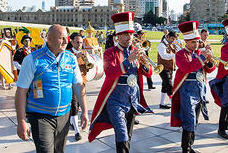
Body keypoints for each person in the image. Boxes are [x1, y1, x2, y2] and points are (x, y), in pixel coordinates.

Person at [15, 24, 88, 153]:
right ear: (49, 39)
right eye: (61, 38)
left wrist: (85, 112)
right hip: (40, 117)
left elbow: (78, 85)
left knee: (59, 150)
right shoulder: (32, 60)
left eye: (66, 37)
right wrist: (21, 121)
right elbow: (21, 91)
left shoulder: (70, 58)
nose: (66, 41)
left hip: (64, 115)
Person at [88, 12, 153, 153]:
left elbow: (148, 73)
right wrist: (128, 60)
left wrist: (145, 63)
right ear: (118, 36)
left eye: (131, 34)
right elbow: (110, 73)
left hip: (133, 100)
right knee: (122, 134)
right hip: (116, 101)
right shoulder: (110, 52)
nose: (129, 37)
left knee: (128, 135)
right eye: (125, 34)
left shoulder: (136, 52)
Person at [171, 21, 216, 153]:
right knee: (189, 119)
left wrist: (209, 61)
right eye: (193, 42)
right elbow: (187, 67)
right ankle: (186, 148)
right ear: (186, 42)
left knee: (195, 120)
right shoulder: (180, 54)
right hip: (186, 90)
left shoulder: (198, 54)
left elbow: (209, 70)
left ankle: (190, 145)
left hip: (199, 89)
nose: (196, 45)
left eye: (197, 42)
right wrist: (202, 57)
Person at [67, 33, 89, 141]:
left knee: (80, 104)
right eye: (77, 42)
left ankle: (72, 121)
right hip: (72, 84)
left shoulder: (84, 52)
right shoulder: (68, 53)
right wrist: (76, 57)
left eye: (81, 42)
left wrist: (87, 62)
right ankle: (76, 131)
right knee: (74, 106)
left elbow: (88, 68)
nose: (79, 44)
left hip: (82, 82)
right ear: (72, 42)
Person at [157, 31, 177, 109]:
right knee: (169, 85)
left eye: (174, 39)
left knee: (165, 85)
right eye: (172, 38)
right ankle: (174, 104)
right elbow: (164, 56)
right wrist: (175, 55)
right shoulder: (161, 45)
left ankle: (162, 103)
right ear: (167, 36)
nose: (173, 40)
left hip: (169, 67)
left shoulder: (170, 45)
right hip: (163, 68)